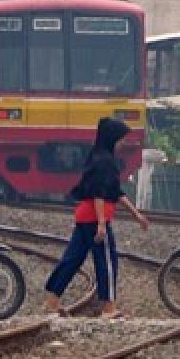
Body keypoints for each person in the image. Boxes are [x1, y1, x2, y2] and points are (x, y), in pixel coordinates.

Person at [44, 118, 150, 319]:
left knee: (72, 259)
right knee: (107, 261)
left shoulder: (98, 157)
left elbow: (115, 192)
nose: (123, 144)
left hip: (85, 216)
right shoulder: (105, 162)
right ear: (112, 139)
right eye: (121, 139)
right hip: (95, 218)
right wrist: (101, 224)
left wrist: (136, 214)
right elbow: (99, 194)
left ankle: (52, 301)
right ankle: (109, 308)